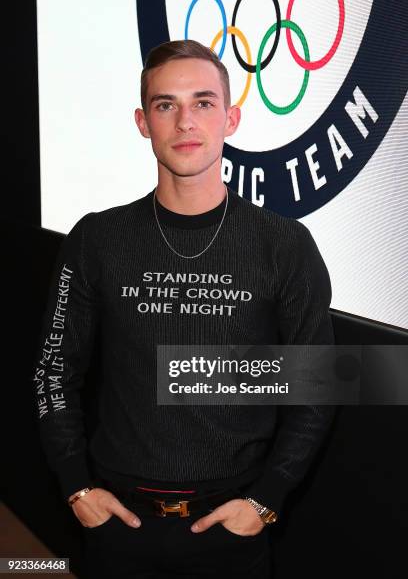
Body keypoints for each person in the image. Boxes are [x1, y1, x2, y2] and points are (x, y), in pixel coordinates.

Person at [32, 39, 336, 578]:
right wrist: (75, 485)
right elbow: (53, 371)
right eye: (165, 105)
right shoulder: (97, 239)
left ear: (231, 118)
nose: (184, 122)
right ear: (143, 121)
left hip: (231, 528)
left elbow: (316, 387)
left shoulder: (284, 245)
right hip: (117, 527)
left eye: (202, 103)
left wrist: (267, 499)